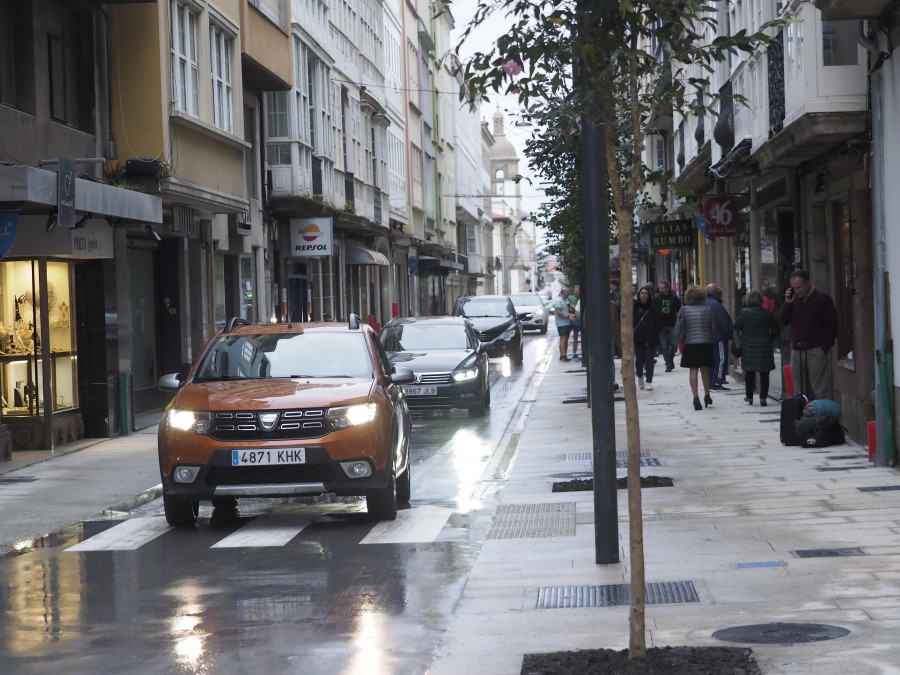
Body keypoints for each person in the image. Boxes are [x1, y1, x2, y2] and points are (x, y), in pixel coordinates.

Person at [778, 269, 838, 400]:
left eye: (799, 287)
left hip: (816, 349)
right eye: (794, 288)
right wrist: (787, 304)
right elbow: (783, 321)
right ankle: (803, 417)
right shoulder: (793, 300)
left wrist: (825, 347)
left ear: (808, 283)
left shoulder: (822, 299)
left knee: (820, 388)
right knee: (799, 390)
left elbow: (832, 325)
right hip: (797, 350)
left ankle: (823, 417)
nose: (797, 291)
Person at [734, 290, 780, 406]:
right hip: (764, 346)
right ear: (760, 301)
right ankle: (763, 398)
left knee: (749, 373)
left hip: (748, 347)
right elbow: (776, 329)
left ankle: (749, 397)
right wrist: (769, 338)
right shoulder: (766, 313)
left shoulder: (744, 313)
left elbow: (737, 326)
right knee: (764, 373)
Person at [674, 285, 717, 410]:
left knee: (693, 370)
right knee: (705, 370)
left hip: (690, 343)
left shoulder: (684, 310)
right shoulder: (708, 309)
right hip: (705, 342)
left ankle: (695, 397)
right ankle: (707, 395)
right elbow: (713, 327)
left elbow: (679, 327)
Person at [705, 283, 734, 391]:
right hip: (718, 336)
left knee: (713, 360)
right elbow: (722, 322)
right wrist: (728, 332)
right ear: (716, 292)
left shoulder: (706, 303)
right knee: (721, 359)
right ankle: (717, 381)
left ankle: (713, 380)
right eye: (719, 289)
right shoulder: (716, 305)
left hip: (710, 337)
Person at [633, 285, 662, 390]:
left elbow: (659, 323)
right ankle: (640, 376)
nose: (644, 295)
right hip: (638, 339)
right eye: (642, 293)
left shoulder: (653, 309)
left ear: (649, 295)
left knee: (650, 360)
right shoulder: (635, 307)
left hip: (650, 339)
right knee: (639, 360)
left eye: (646, 293)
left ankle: (649, 380)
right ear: (639, 295)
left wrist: (654, 334)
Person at [653, 280, 682, 372]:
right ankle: (668, 364)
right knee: (664, 347)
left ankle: (670, 359)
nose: (660, 289)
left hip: (672, 325)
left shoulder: (674, 297)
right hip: (661, 327)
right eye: (659, 288)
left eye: (662, 288)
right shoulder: (656, 298)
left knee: (674, 345)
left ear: (667, 288)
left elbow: (679, 309)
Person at [553, 287, 574, 362]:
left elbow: (568, 310)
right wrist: (567, 317)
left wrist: (570, 315)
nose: (568, 295)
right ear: (563, 293)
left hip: (566, 322)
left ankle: (563, 354)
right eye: (567, 293)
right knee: (563, 339)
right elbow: (558, 312)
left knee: (566, 339)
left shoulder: (564, 300)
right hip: (561, 323)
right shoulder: (559, 301)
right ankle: (563, 354)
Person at [567, 285, 582, 360]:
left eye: (577, 290)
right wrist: (574, 308)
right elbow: (568, 307)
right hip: (570, 320)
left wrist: (571, 306)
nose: (576, 292)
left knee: (576, 337)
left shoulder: (581, 299)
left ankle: (574, 353)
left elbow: (577, 309)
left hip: (578, 321)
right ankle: (565, 354)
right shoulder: (570, 298)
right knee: (566, 337)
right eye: (575, 290)